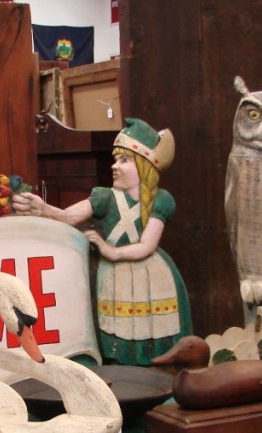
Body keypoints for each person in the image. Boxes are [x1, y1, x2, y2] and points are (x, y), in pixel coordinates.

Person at [12, 118, 191, 366]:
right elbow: (67, 216)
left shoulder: (161, 200)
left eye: (124, 160)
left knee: (152, 327)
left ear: (145, 165)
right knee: (114, 328)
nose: (115, 166)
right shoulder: (104, 197)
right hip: (115, 278)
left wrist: (109, 251)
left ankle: (160, 370)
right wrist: (42, 209)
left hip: (151, 275)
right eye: (116, 160)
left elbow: (147, 245)